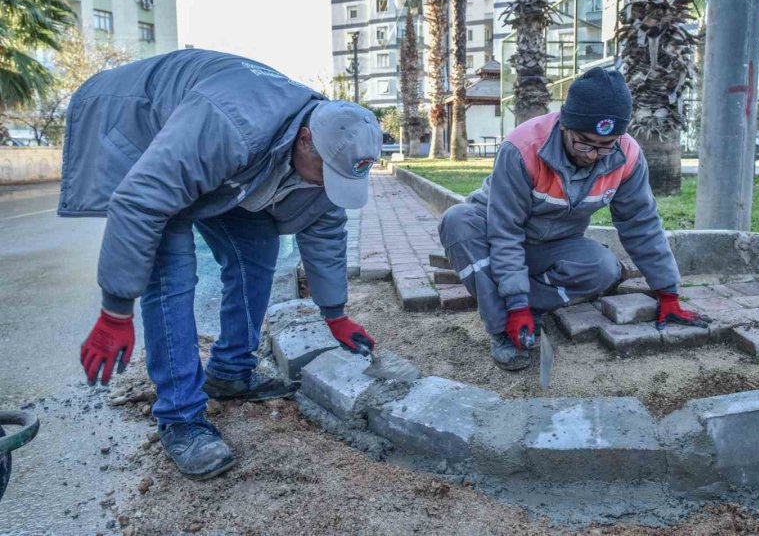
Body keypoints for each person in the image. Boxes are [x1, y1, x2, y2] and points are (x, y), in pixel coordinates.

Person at [59, 49, 381, 479]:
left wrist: (335, 314)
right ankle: (180, 419)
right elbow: (140, 203)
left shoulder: (329, 141)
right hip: (133, 120)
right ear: (305, 139)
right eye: (325, 173)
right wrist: (115, 311)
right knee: (171, 271)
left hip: (219, 156)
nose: (326, 185)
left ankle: (231, 372)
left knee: (257, 245)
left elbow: (324, 226)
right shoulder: (230, 127)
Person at [438, 67, 709, 371]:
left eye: (606, 145)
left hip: (553, 243)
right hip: (489, 232)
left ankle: (520, 301)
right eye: (584, 142)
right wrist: (514, 305)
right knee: (456, 220)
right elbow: (505, 232)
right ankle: (503, 327)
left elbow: (641, 224)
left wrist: (668, 293)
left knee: (604, 268)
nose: (593, 154)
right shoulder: (523, 148)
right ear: (565, 124)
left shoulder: (627, 156)